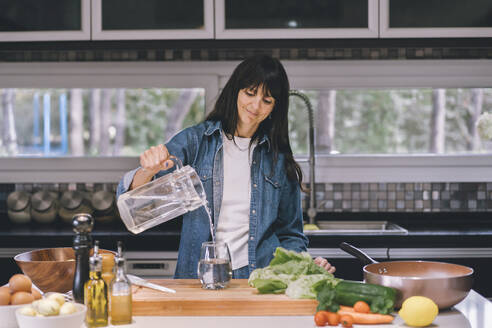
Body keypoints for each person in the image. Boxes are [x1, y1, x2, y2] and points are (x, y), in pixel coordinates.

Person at [117, 55, 335, 278]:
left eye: (267, 100)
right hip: (200, 278)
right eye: (250, 93)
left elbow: (290, 235)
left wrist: (305, 265)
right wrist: (148, 170)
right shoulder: (196, 142)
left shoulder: (278, 159)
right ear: (235, 90)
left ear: (274, 108)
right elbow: (137, 205)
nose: (256, 105)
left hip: (259, 280)